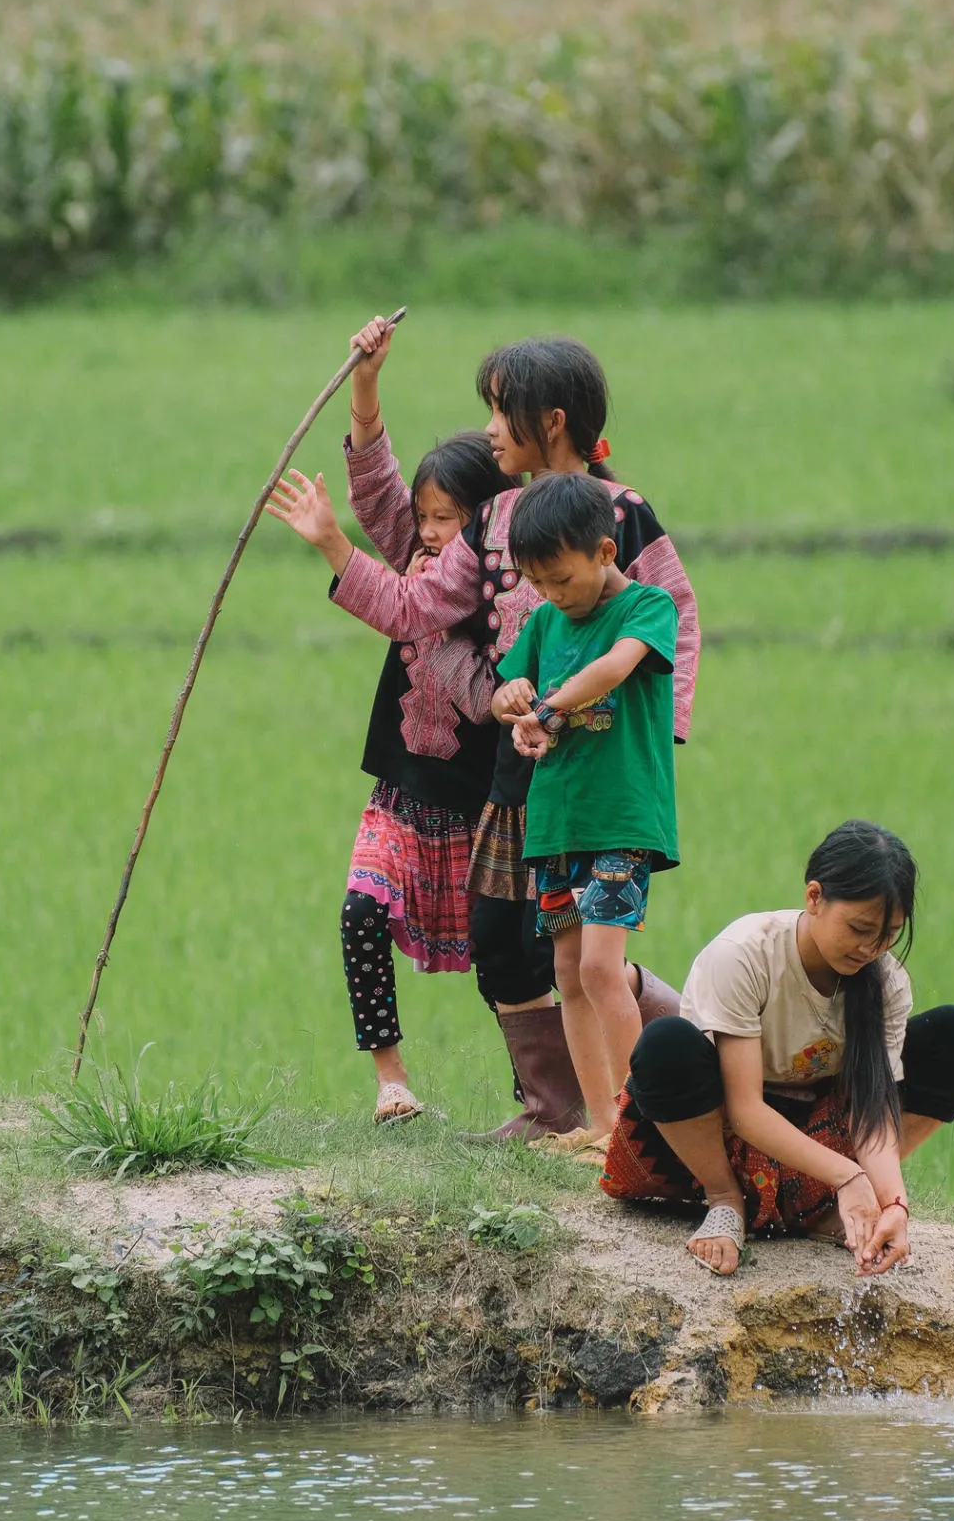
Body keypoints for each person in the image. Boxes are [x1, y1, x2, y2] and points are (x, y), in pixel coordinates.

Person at [269, 324, 699, 1138]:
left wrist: (656, 739)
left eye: (502, 415)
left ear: (553, 421)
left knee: (585, 956)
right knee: (509, 944)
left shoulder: (622, 514)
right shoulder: (491, 518)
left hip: (605, 767)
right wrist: (334, 547)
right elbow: (412, 604)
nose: (490, 431)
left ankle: (656, 1086)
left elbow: (675, 618)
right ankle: (566, 1114)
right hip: (521, 764)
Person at [265, 320, 518, 1124]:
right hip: (404, 790)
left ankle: (543, 1095)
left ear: (490, 524)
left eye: (450, 519)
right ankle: (391, 1082)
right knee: (362, 912)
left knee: (505, 956)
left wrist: (341, 549)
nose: (432, 533)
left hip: (481, 802)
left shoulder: (509, 602)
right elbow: (376, 487)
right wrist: (366, 381)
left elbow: (474, 686)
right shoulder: (421, 552)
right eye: (427, 516)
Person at [600, 820, 954, 1276]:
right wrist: (848, 1174)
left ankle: (823, 1209)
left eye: (887, 935)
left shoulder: (886, 982)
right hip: (723, 1127)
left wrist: (893, 1201)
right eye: (859, 928)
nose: (871, 948)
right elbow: (744, 1108)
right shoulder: (745, 954)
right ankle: (725, 1200)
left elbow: (873, 1110)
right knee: (665, 1046)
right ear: (814, 897)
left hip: (822, 1131)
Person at [491, 473, 680, 1156]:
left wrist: (546, 706)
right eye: (537, 583)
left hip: (621, 820)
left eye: (562, 578)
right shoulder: (543, 621)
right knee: (567, 972)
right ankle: (601, 1127)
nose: (552, 595)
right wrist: (513, 699)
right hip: (557, 823)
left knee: (603, 967)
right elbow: (505, 695)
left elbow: (614, 669)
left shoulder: (648, 608)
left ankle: (647, 1124)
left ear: (605, 551)